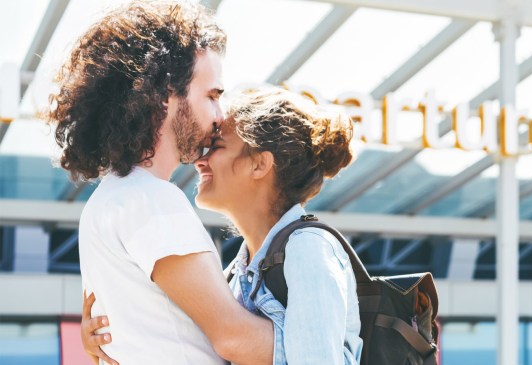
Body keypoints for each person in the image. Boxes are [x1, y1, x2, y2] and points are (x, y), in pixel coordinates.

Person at [47, 1, 274, 364]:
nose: (221, 116)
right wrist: (338, 341)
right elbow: (235, 338)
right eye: (213, 96)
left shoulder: (111, 199)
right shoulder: (152, 201)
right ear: (167, 91)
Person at [82, 87, 364, 365]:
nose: (199, 160)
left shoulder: (308, 249)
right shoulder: (235, 275)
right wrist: (111, 334)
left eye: (215, 147)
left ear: (259, 164)